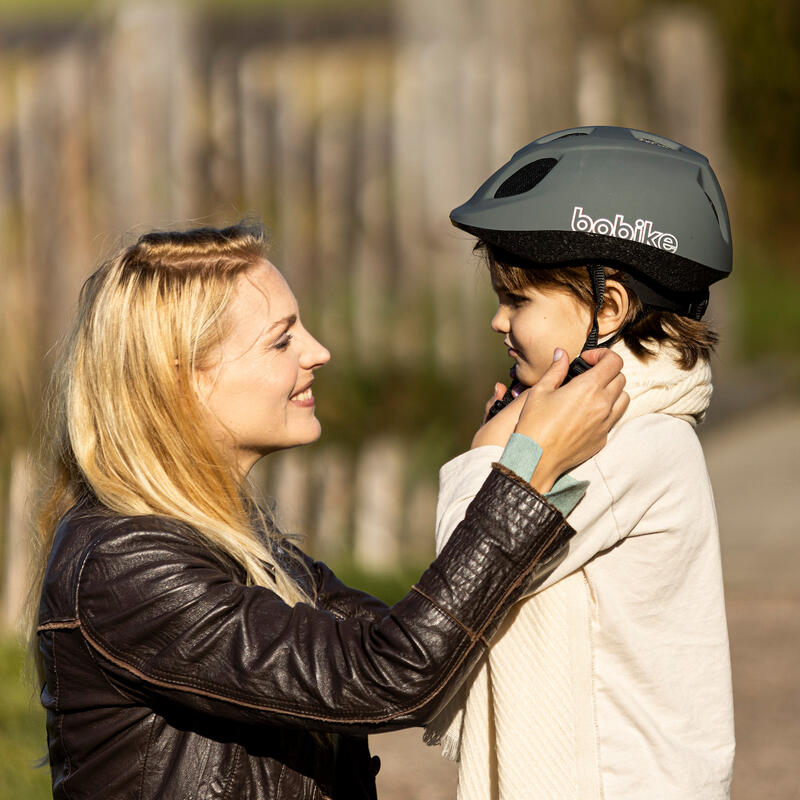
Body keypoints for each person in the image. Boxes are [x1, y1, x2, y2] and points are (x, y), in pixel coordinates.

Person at [30, 221, 628, 799]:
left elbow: (421, 647)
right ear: (180, 379)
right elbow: (388, 676)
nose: (319, 352)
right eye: (282, 338)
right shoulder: (124, 566)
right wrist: (523, 472)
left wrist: (495, 453)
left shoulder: (246, 546)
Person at [425, 126, 736, 799]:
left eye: (518, 301)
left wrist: (492, 450)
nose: (497, 322)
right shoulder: (631, 432)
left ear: (610, 307)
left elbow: (465, 567)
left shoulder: (634, 445)